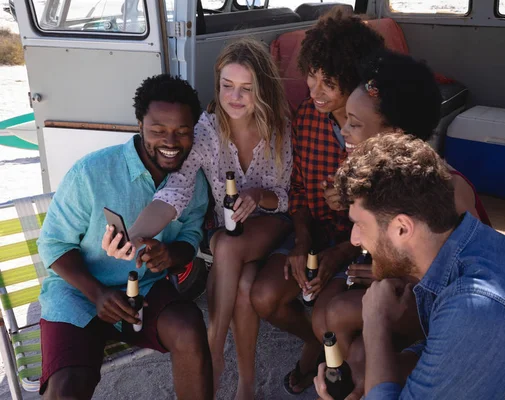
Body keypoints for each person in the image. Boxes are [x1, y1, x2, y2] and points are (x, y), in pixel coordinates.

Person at [314, 133, 505, 399]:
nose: (354, 238)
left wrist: (376, 322)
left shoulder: (478, 308)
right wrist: (377, 372)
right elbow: (449, 349)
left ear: (402, 228)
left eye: (360, 225)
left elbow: (469, 330)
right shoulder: (474, 242)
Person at [105, 38, 293, 399]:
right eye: (226, 86)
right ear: (217, 84)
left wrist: (255, 196)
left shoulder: (278, 127)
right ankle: (247, 386)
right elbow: (177, 187)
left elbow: (283, 197)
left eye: (246, 88)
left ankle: (214, 349)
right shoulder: (207, 128)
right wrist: (136, 235)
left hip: (271, 222)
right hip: (230, 235)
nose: (234, 97)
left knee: (223, 242)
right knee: (239, 282)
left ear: (262, 89)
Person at [312, 50, 493, 376]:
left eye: (354, 124)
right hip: (407, 285)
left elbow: (471, 280)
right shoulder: (383, 175)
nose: (345, 133)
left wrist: (394, 276)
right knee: (326, 319)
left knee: (340, 317)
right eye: (345, 121)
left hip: (446, 308)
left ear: (394, 133)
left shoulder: (446, 190)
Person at [37, 74, 213, 399]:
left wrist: (170, 255)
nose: (171, 142)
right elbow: (53, 245)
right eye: (158, 130)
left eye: (182, 131)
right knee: (65, 388)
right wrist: (98, 293)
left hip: (144, 289)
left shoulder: (193, 181)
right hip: (78, 293)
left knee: (189, 329)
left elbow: (190, 236)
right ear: (140, 124)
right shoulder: (91, 173)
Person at [249, 7, 385, 395]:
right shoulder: (307, 118)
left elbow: (387, 223)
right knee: (264, 298)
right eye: (311, 75)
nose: (314, 90)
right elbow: (297, 191)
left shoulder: (380, 132)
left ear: (357, 80)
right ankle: (312, 343)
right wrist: (304, 241)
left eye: (329, 82)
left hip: (361, 249)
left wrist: (340, 253)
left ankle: (325, 355)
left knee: (326, 319)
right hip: (315, 234)